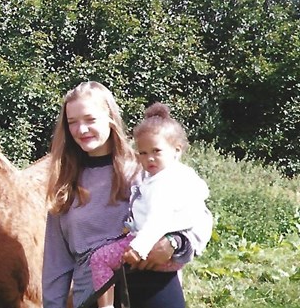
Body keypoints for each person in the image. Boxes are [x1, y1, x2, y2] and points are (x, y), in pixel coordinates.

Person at [42, 81, 212, 308]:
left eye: (90, 119)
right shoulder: (65, 183)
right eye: (72, 122)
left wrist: (175, 242)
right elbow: (56, 264)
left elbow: (198, 217)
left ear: (110, 117)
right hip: (94, 298)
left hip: (154, 291)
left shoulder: (145, 168)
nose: (81, 130)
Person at [89, 102, 211, 308]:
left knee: (99, 259)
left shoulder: (162, 183)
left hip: (150, 248)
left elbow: (159, 220)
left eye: (156, 151)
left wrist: (141, 247)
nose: (149, 158)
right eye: (143, 153)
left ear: (177, 150)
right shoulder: (177, 176)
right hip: (162, 260)